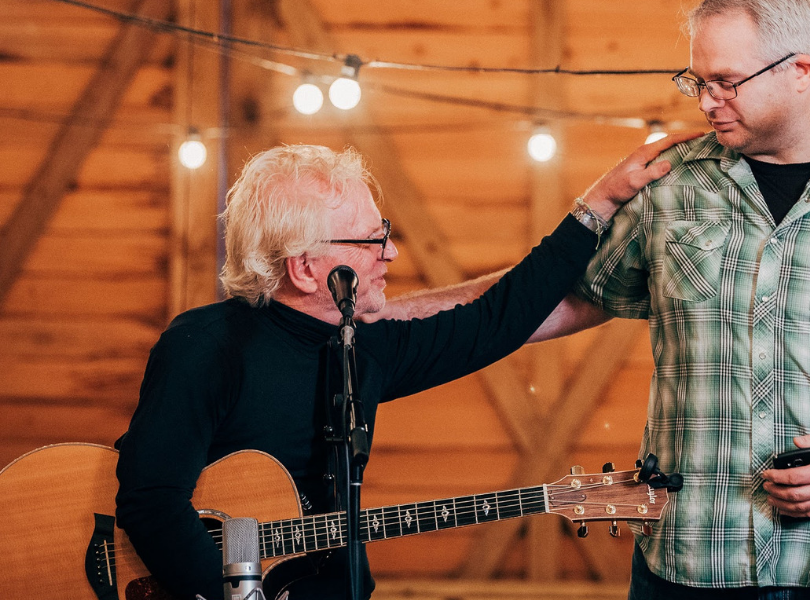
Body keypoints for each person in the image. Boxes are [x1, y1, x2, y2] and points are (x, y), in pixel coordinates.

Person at [381, 1, 810, 597]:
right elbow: (554, 297)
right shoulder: (671, 184)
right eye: (697, 82)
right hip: (687, 560)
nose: (706, 101)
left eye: (725, 82)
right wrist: (387, 322)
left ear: (801, 71)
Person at [113, 135, 693, 600]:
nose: (390, 252)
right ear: (306, 269)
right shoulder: (204, 346)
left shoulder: (362, 349)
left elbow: (494, 322)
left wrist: (596, 206)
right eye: (371, 240)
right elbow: (152, 504)